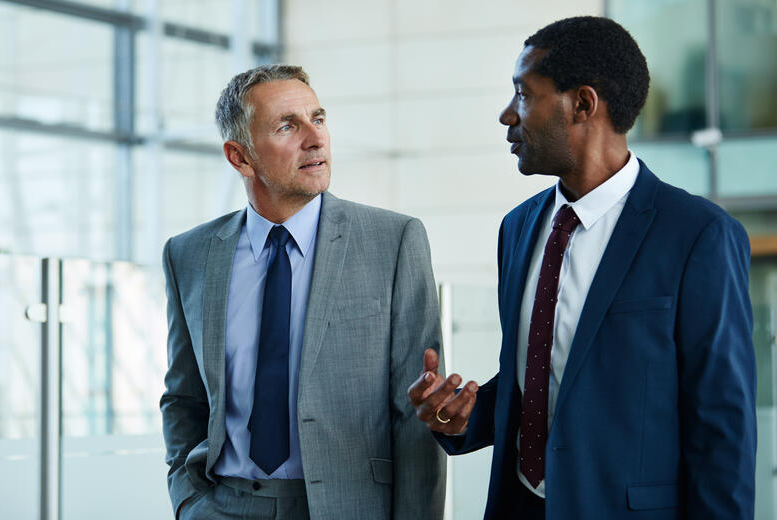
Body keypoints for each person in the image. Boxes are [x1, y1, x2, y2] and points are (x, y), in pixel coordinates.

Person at [408, 16, 756, 519]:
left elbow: (721, 427)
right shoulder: (518, 228)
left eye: (523, 94)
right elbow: (543, 382)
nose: (508, 115)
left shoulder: (698, 234)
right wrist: (460, 414)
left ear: (583, 104)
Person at [161, 64, 445, 520]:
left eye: (318, 118)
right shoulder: (189, 254)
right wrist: (188, 501)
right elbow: (184, 397)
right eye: (287, 126)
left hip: (348, 508)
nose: (315, 139)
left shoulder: (393, 241)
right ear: (240, 157)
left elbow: (414, 418)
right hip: (224, 505)